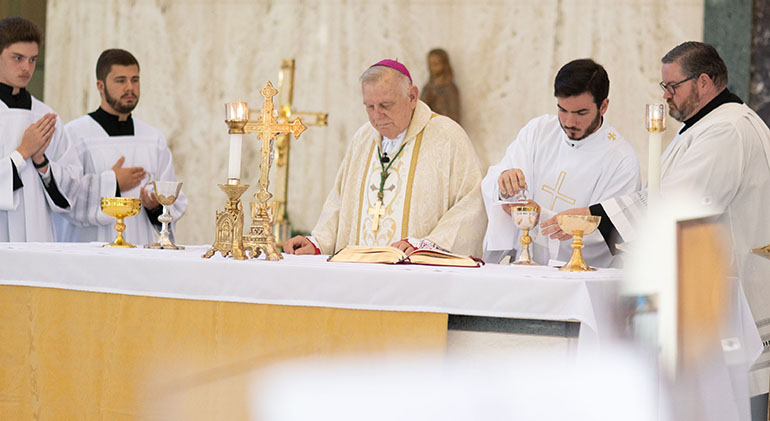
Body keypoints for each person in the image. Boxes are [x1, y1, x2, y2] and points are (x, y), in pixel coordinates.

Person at [540, 42, 770, 414]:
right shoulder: (712, 124)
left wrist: (596, 217)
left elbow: (681, 203)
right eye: (663, 87)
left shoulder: (725, 130)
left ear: (705, 82)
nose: (666, 96)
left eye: (672, 86)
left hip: (734, 290)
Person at [284, 59, 486, 256]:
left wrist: (430, 245)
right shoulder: (363, 139)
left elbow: (471, 204)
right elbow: (339, 199)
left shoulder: (447, 136)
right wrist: (318, 241)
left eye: (385, 105)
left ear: (412, 97)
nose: (376, 116)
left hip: (417, 276)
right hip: (359, 272)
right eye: (369, 107)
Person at [482, 59, 640, 266]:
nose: (568, 122)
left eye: (580, 113)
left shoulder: (621, 158)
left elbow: (607, 231)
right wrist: (504, 185)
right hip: (525, 267)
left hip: (579, 276)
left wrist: (542, 218)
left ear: (604, 106)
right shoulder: (538, 131)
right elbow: (493, 182)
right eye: (562, 110)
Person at [55, 49, 186, 245]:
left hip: (141, 249)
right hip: (91, 251)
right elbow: (63, 197)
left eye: (135, 80)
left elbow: (174, 197)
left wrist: (156, 206)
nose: (130, 87)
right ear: (100, 86)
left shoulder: (153, 138)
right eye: (120, 80)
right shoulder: (74, 135)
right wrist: (113, 182)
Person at [0, 16, 80, 242]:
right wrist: (22, 153)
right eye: (18, 58)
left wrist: (42, 163)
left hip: (39, 236)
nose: (27, 68)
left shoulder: (45, 116)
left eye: (33, 60)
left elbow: (72, 186)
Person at [420, 48, 461, 124]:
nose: (433, 68)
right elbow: (421, 110)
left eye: (436, 64)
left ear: (444, 64)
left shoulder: (450, 88)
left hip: (446, 128)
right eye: (431, 64)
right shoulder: (428, 88)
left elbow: (455, 116)